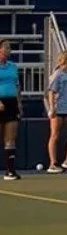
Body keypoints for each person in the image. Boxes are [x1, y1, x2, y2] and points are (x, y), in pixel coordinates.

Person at [45, 50, 67, 173]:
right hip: (58, 109)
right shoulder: (57, 75)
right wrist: (52, 108)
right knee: (55, 135)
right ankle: (53, 163)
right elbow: (51, 92)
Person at [0, 39, 20, 179]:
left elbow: (17, 85)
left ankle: (10, 171)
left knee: (10, 138)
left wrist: (19, 103)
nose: (9, 50)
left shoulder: (13, 66)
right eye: (6, 47)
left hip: (11, 103)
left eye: (10, 47)